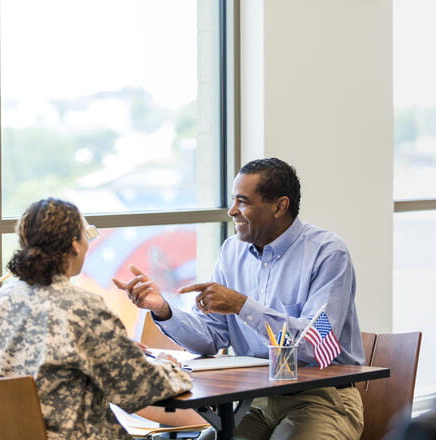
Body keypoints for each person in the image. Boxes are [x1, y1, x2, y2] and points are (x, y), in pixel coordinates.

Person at [113, 157, 364, 440]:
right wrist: (162, 309)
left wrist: (242, 306)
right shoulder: (232, 251)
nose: (232, 211)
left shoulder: (327, 253)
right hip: (254, 402)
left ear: (279, 206)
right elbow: (212, 337)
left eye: (243, 201)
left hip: (321, 399)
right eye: (233, 200)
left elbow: (315, 346)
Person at [0, 198, 192, 440]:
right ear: (75, 245)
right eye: (85, 236)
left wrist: (115, 350)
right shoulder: (83, 306)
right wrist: (169, 365)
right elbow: (139, 389)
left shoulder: (4, 298)